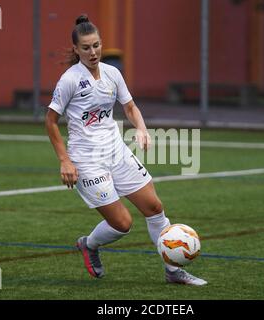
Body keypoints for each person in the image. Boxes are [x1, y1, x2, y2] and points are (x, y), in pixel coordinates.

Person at [45, 14, 207, 286]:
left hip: (117, 152)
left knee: (155, 207)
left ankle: (173, 271)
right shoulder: (69, 80)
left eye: (96, 45)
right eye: (85, 47)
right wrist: (65, 161)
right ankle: (89, 245)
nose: (93, 52)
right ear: (76, 50)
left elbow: (130, 107)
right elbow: (50, 121)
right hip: (87, 161)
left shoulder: (112, 74)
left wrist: (141, 128)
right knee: (122, 223)